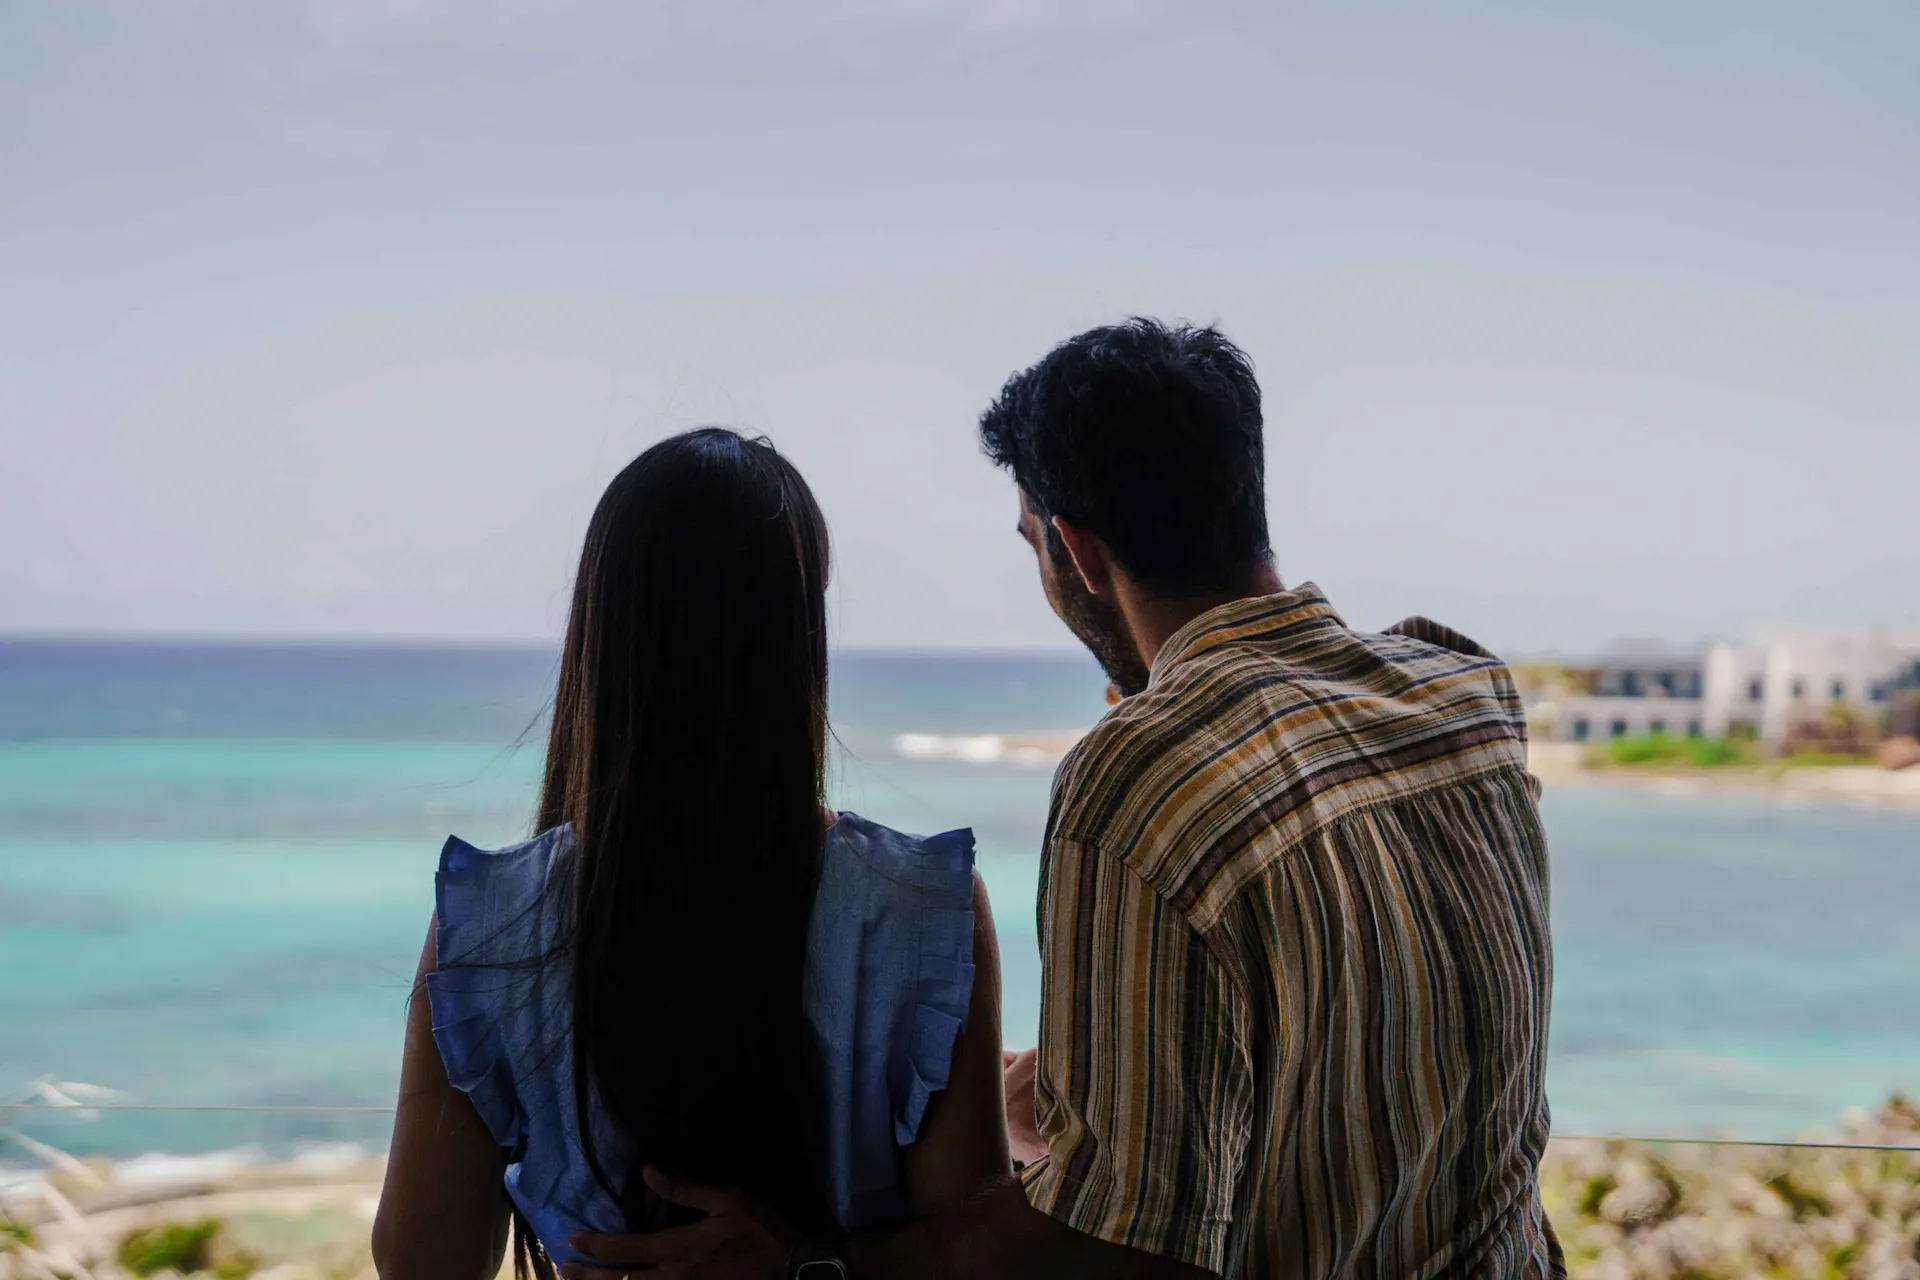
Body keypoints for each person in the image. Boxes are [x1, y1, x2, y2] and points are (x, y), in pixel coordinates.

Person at [566, 319, 1566, 1280]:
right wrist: (1109, 1103)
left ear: (1078, 551)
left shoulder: (1141, 773)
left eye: (1030, 545)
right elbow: (1379, 1059)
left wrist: (808, 1261)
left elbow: (1118, 1257)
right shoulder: (1463, 687)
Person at [372, 428, 1012, 1280]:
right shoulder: (923, 907)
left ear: (602, 625)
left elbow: (421, 1262)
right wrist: (811, 1263)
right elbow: (976, 1262)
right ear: (799, 631)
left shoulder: (492, 919)